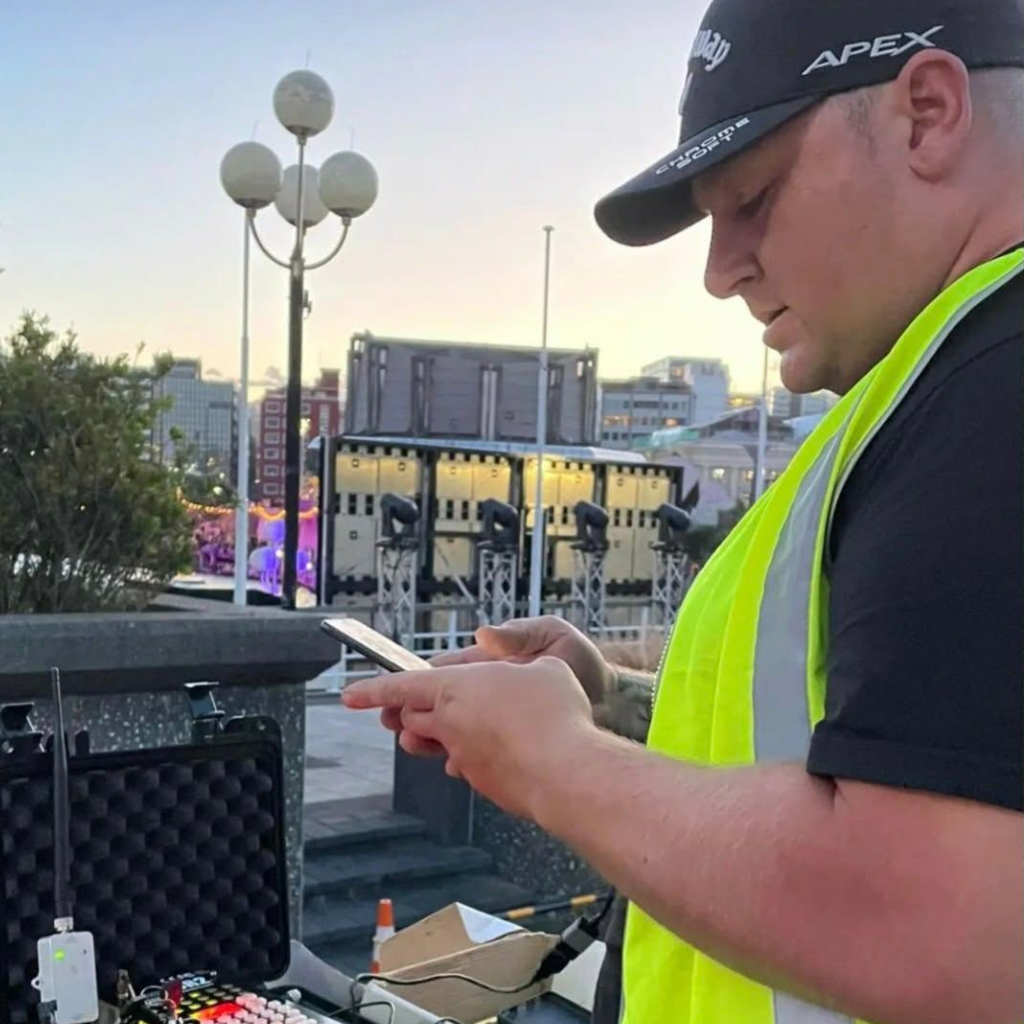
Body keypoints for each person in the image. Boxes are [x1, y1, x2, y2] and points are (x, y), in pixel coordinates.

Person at [343, 0, 1024, 1020]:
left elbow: (935, 924)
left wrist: (557, 761)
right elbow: (863, 750)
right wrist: (610, 700)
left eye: (752, 198)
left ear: (926, 114)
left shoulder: (995, 385)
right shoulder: (931, 387)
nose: (718, 271)